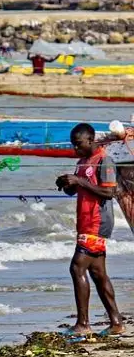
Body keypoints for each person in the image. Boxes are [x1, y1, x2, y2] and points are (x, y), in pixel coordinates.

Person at [57, 123, 124, 337]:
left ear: (90, 140)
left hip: (98, 222)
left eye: (78, 145)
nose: (75, 150)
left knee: (77, 268)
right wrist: (67, 184)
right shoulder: (82, 162)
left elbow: (110, 193)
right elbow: (78, 189)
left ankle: (83, 323)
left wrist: (79, 181)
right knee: (98, 273)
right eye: (73, 145)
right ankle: (116, 322)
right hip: (85, 221)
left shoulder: (105, 161)